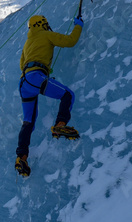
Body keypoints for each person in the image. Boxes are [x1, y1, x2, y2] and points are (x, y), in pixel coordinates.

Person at [14, 14, 83, 177]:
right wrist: (78, 25)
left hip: (24, 83)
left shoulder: (27, 42)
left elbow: (21, 64)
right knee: (67, 95)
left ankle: (21, 158)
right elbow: (70, 41)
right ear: (42, 24)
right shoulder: (46, 35)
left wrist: (40, 66)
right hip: (35, 78)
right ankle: (60, 125)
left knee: (28, 122)